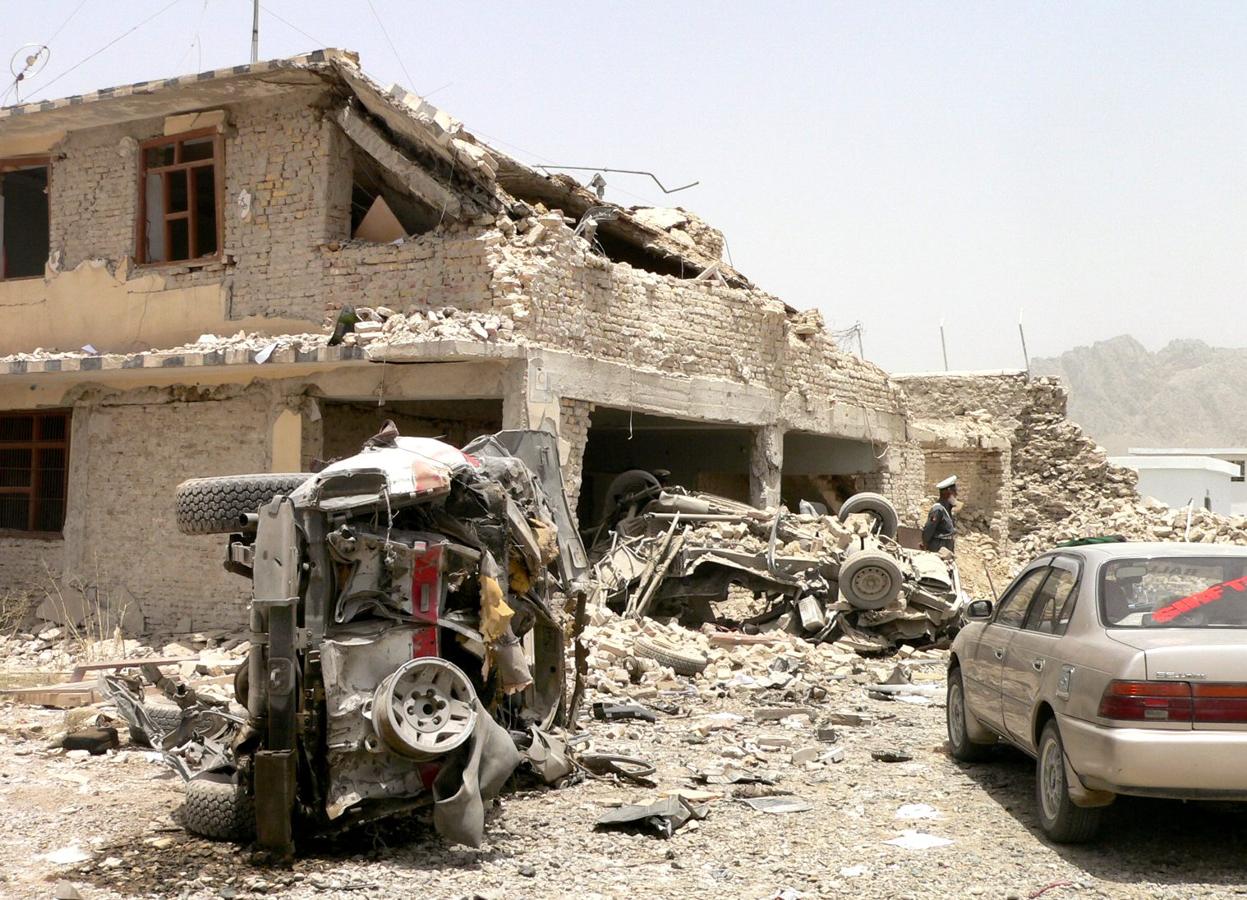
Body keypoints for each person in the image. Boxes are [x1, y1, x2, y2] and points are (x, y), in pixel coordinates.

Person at [921, 475, 958, 553]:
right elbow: (928, 529)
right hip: (939, 547)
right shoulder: (938, 509)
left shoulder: (947, 508)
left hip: (947, 547)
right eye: (954, 492)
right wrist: (925, 544)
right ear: (947, 492)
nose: (956, 494)